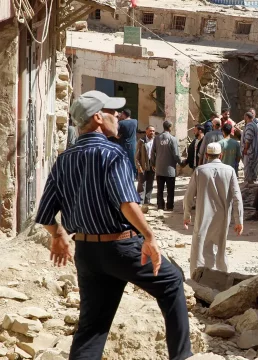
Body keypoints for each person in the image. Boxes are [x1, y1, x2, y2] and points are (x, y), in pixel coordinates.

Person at [34, 90, 192, 359]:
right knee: (172, 282)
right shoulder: (112, 153)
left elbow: (45, 213)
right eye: (112, 111)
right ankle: (182, 356)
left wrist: (58, 235)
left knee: (92, 326)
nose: (118, 116)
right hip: (121, 247)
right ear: (98, 117)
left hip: (86, 252)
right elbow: (127, 204)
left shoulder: (64, 159)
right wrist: (149, 236)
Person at [183, 142, 243, 276]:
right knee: (220, 247)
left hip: (203, 215)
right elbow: (237, 197)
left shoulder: (200, 171)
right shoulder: (230, 171)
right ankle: (221, 277)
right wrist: (239, 220)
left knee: (200, 246)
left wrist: (187, 215)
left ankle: (197, 277)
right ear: (221, 155)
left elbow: (188, 196)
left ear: (206, 155)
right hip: (222, 217)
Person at [151, 121, 181, 211]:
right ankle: (170, 206)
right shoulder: (173, 139)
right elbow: (176, 154)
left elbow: (153, 152)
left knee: (160, 189)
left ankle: (160, 205)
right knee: (170, 189)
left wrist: (153, 163)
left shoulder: (157, 138)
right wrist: (180, 163)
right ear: (170, 127)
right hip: (170, 169)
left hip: (159, 168)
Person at [135, 125, 156, 204]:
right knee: (142, 183)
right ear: (146, 131)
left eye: (153, 131)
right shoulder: (141, 141)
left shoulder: (155, 141)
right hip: (143, 165)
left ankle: (147, 200)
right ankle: (140, 200)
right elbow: (136, 155)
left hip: (152, 165)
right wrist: (138, 166)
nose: (152, 132)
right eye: (150, 131)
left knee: (150, 183)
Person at [117, 109, 138, 177]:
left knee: (123, 160)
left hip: (124, 144)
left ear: (123, 114)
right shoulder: (135, 121)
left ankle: (125, 175)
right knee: (132, 160)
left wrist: (119, 119)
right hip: (133, 144)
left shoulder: (121, 123)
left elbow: (117, 135)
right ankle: (134, 175)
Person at [241, 111, 258, 184]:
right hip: (254, 150)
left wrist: (246, 149)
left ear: (246, 117)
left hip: (250, 151)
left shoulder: (249, 125)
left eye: (244, 117)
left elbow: (248, 139)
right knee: (253, 167)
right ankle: (253, 181)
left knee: (248, 167)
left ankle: (249, 182)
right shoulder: (254, 125)